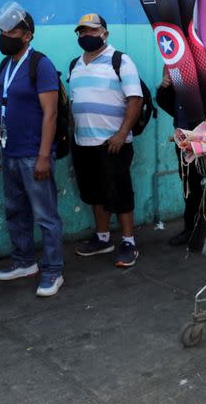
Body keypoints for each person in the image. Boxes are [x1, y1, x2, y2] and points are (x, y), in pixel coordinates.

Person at [0, 1, 64, 297]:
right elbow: (0, 107)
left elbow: (51, 113)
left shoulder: (40, 65)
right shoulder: (5, 65)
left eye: (11, 30)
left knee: (45, 215)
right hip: (10, 152)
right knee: (15, 211)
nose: (5, 34)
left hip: (34, 153)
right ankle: (23, 262)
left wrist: (45, 155)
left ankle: (53, 271)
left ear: (27, 35)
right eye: (3, 30)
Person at [70, 14, 144, 268]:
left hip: (113, 142)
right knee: (94, 194)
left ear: (105, 33)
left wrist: (122, 134)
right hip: (83, 143)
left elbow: (135, 100)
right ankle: (102, 239)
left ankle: (129, 242)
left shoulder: (120, 61)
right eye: (82, 32)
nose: (86, 36)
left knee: (120, 192)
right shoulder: (75, 65)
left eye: (92, 31)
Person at [156, 68, 205, 251]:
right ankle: (191, 229)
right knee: (189, 184)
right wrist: (165, 88)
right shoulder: (176, 57)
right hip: (184, 135)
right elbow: (170, 103)